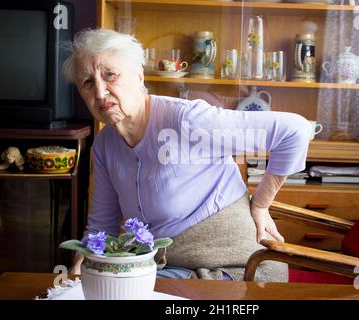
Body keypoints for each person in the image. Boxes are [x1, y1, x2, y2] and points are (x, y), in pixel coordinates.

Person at [62, 29, 311, 281]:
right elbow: (101, 227)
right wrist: (79, 274)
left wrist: (260, 203)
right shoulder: (105, 145)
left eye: (110, 75)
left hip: (238, 271)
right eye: (88, 82)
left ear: (139, 75)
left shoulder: (186, 120)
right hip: (168, 271)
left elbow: (295, 131)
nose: (101, 92)